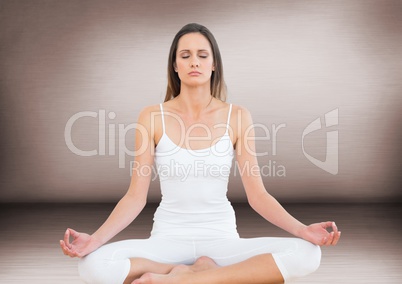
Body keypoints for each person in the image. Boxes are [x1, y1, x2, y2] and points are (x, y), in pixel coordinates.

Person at [60, 23, 341, 284]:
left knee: (308, 254)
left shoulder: (238, 116)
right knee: (91, 265)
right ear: (175, 65)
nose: (194, 61)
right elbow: (135, 197)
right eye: (185, 55)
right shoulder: (152, 116)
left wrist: (302, 229)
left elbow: (258, 196)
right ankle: (204, 275)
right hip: (166, 241)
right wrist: (95, 240)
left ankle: (179, 279)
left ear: (214, 64)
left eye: (202, 55)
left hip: (222, 241)